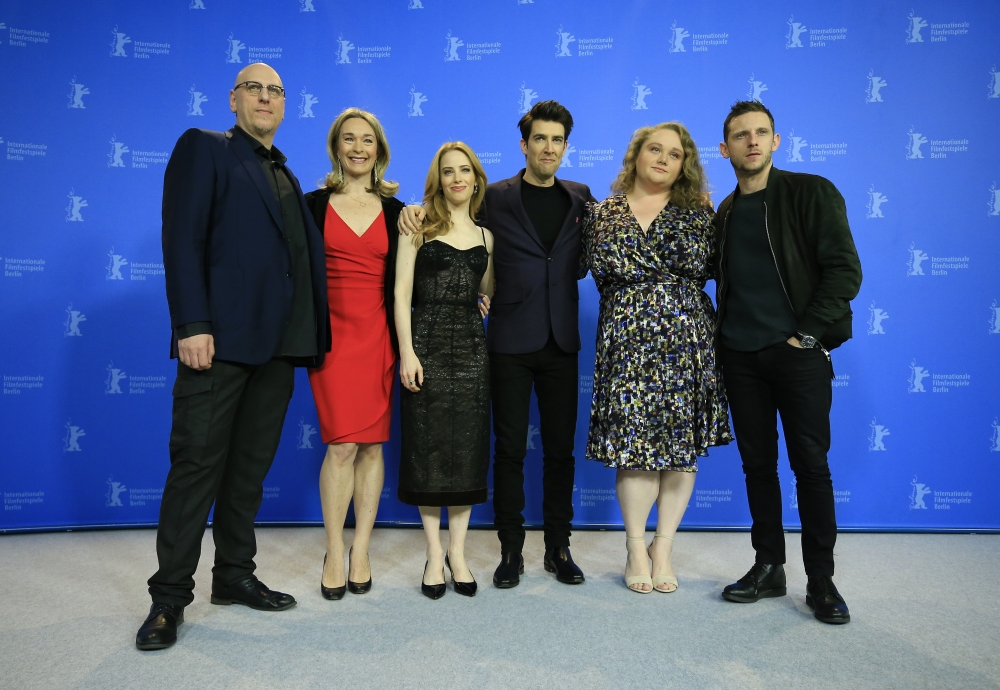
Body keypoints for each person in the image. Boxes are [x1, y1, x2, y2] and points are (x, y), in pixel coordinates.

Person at [138, 63, 330, 650]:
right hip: (216, 346)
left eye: (277, 90)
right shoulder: (205, 148)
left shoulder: (288, 174)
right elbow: (182, 238)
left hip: (276, 352)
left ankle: (233, 576)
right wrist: (192, 325)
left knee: (248, 472)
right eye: (255, 88)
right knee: (197, 466)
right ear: (232, 99)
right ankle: (169, 599)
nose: (266, 98)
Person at [399, 101, 596, 588]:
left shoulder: (582, 198)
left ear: (565, 147)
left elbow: (587, 258)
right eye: (540, 139)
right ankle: (511, 551)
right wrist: (410, 211)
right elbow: (453, 215)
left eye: (557, 140)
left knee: (559, 453)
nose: (548, 148)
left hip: (562, 342)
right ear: (524, 144)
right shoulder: (496, 197)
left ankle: (558, 547)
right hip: (508, 341)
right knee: (508, 451)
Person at [714, 101, 862, 624]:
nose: (751, 142)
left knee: (811, 467)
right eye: (740, 135)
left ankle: (821, 580)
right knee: (758, 467)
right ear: (725, 147)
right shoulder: (725, 212)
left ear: (776, 141)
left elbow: (844, 272)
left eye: (761, 133)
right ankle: (769, 567)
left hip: (798, 357)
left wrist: (807, 334)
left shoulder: (810, 192)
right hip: (739, 357)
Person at [580, 123, 732, 594]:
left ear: (685, 165)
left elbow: (732, 275)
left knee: (680, 454)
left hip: (687, 342)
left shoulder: (703, 215)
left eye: (675, 154)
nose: (664, 159)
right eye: (655, 149)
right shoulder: (600, 214)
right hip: (625, 344)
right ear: (636, 155)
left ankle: (663, 547)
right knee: (635, 452)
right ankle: (633, 547)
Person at [304, 108, 403, 600]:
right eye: (349, 139)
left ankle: (361, 547)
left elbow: (414, 281)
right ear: (336, 147)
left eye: (368, 140)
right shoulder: (311, 205)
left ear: (379, 150)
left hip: (378, 337)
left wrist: (478, 291)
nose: (359, 147)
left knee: (371, 445)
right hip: (331, 339)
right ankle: (333, 546)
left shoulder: (398, 211)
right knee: (341, 445)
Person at [394, 142, 495, 599]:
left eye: (464, 170)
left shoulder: (486, 236)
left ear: (476, 177)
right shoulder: (416, 226)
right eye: (448, 171)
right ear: (438, 179)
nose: (457, 178)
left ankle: (459, 553)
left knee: (466, 450)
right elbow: (400, 295)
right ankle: (434, 554)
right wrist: (408, 353)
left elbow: (485, 290)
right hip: (427, 342)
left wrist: (483, 299)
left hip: (472, 350)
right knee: (427, 448)